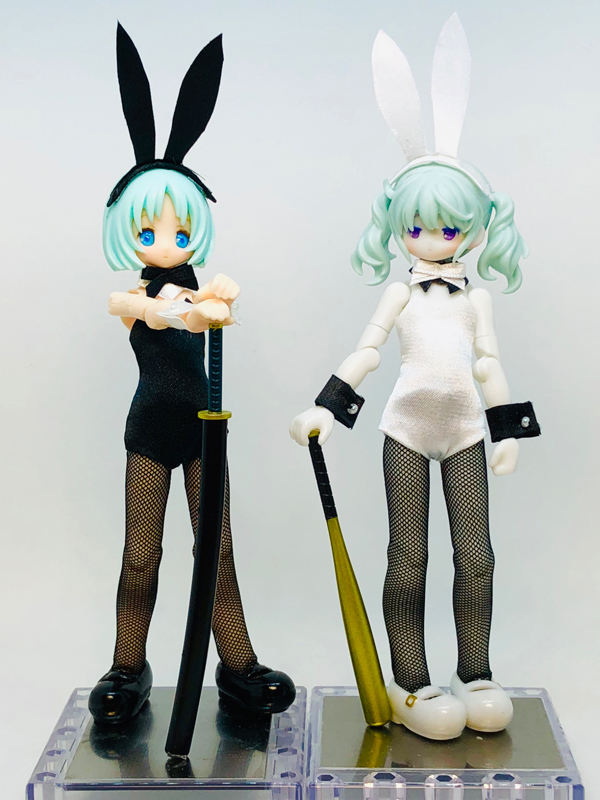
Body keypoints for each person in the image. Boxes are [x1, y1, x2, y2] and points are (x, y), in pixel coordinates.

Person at [289, 16, 539, 741]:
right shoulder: (401, 292)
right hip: (404, 428)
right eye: (419, 227)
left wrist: (507, 432)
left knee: (477, 557)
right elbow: (367, 352)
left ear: (475, 229)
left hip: (463, 431)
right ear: (398, 226)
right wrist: (325, 410)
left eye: (448, 229)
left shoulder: (475, 299)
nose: (432, 240)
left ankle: (477, 672)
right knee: (408, 559)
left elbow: (488, 365)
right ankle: (411, 680)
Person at [89, 25, 294, 726]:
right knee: (140, 555)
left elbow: (210, 311)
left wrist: (215, 303)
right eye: (150, 233)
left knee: (218, 554)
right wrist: (188, 310)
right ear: (128, 230)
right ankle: (127, 665)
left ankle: (238, 666)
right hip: (151, 430)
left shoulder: (202, 289)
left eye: (179, 232)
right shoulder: (133, 297)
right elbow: (152, 310)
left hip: (207, 432)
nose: (166, 243)